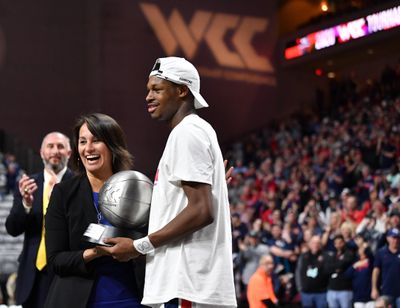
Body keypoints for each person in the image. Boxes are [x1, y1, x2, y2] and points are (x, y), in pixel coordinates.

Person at [100, 57, 237, 307]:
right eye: (148, 90)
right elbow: (199, 204)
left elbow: (201, 211)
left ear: (182, 90)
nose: (148, 97)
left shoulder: (187, 133)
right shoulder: (195, 130)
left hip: (186, 284)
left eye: (157, 89)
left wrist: (138, 246)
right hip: (189, 283)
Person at [43, 113, 145, 308]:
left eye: (96, 140)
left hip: (132, 299)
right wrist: (95, 252)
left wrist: (134, 249)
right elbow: (56, 260)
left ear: (113, 146)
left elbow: (154, 242)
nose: (88, 148)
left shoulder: (137, 189)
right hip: (78, 301)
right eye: (82, 141)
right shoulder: (64, 193)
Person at [5, 132, 73, 308]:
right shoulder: (28, 184)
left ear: (69, 153)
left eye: (60, 146)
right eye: (50, 146)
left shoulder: (79, 183)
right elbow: (13, 229)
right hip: (32, 273)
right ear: (42, 152)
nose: (55, 151)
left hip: (65, 272)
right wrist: (26, 204)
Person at [295, 235, 329, 308]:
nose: (315, 245)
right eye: (313, 243)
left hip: (321, 293)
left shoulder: (325, 256)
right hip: (306, 293)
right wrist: (300, 288)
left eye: (318, 243)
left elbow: (328, 272)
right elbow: (298, 272)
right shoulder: (303, 256)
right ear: (309, 244)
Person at [371, 228, 400, 308]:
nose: (396, 240)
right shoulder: (381, 253)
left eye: (398, 238)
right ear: (388, 238)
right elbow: (376, 271)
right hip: (386, 291)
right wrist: (374, 288)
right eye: (394, 237)